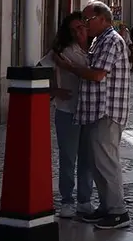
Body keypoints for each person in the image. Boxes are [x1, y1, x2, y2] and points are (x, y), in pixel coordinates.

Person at [54, 1, 132, 230]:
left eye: (88, 21)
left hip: (106, 111)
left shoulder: (111, 40)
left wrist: (68, 67)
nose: (86, 25)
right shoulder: (100, 41)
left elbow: (97, 75)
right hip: (94, 111)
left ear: (102, 19)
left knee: (107, 163)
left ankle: (118, 212)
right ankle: (106, 207)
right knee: (97, 164)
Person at [38, 12, 93, 218]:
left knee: (87, 158)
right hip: (67, 110)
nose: (78, 32)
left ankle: (85, 200)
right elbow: (40, 68)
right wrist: (54, 91)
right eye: (73, 29)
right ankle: (67, 200)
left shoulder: (97, 50)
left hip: (90, 111)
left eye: (80, 27)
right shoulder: (63, 51)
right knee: (68, 158)